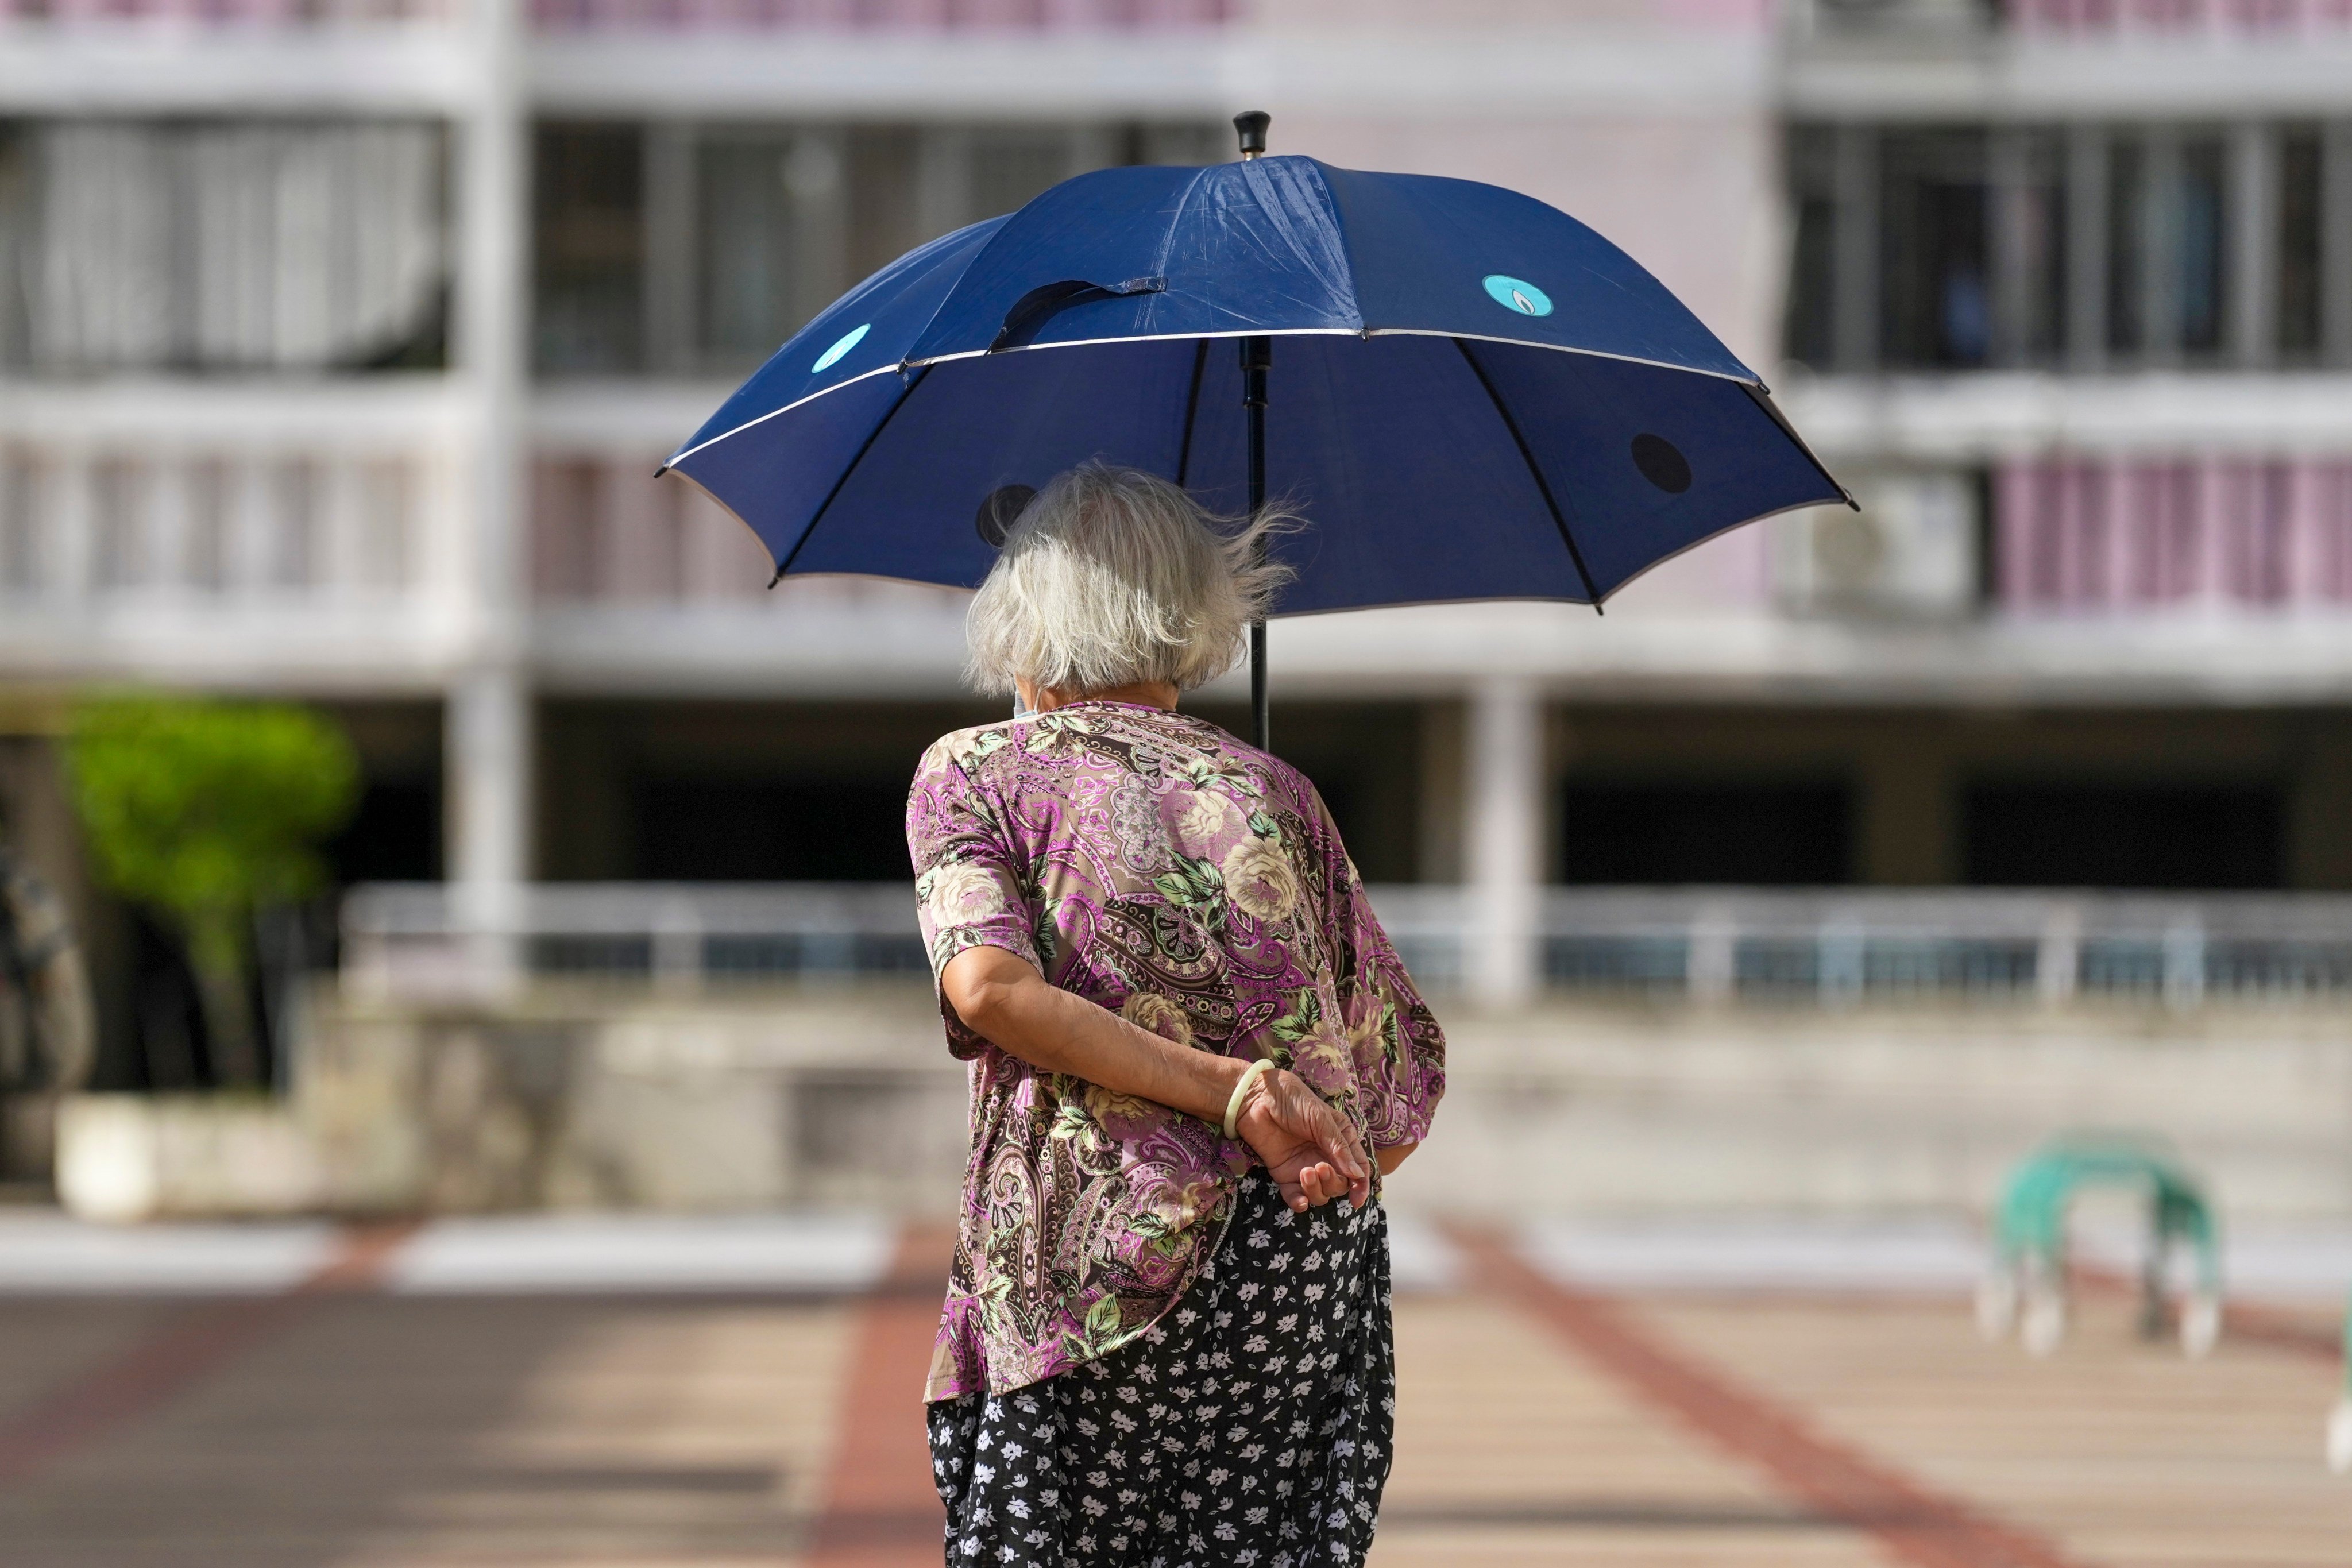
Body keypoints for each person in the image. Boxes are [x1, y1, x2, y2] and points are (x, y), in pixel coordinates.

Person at [907, 462, 1446, 1568]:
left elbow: (990, 989)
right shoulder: (1276, 792)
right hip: (1289, 1274)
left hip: (1085, 1264)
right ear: (1193, 618)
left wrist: (1226, 1092)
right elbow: (1400, 1089)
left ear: (1024, 626)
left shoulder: (973, 772)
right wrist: (1271, 1121)